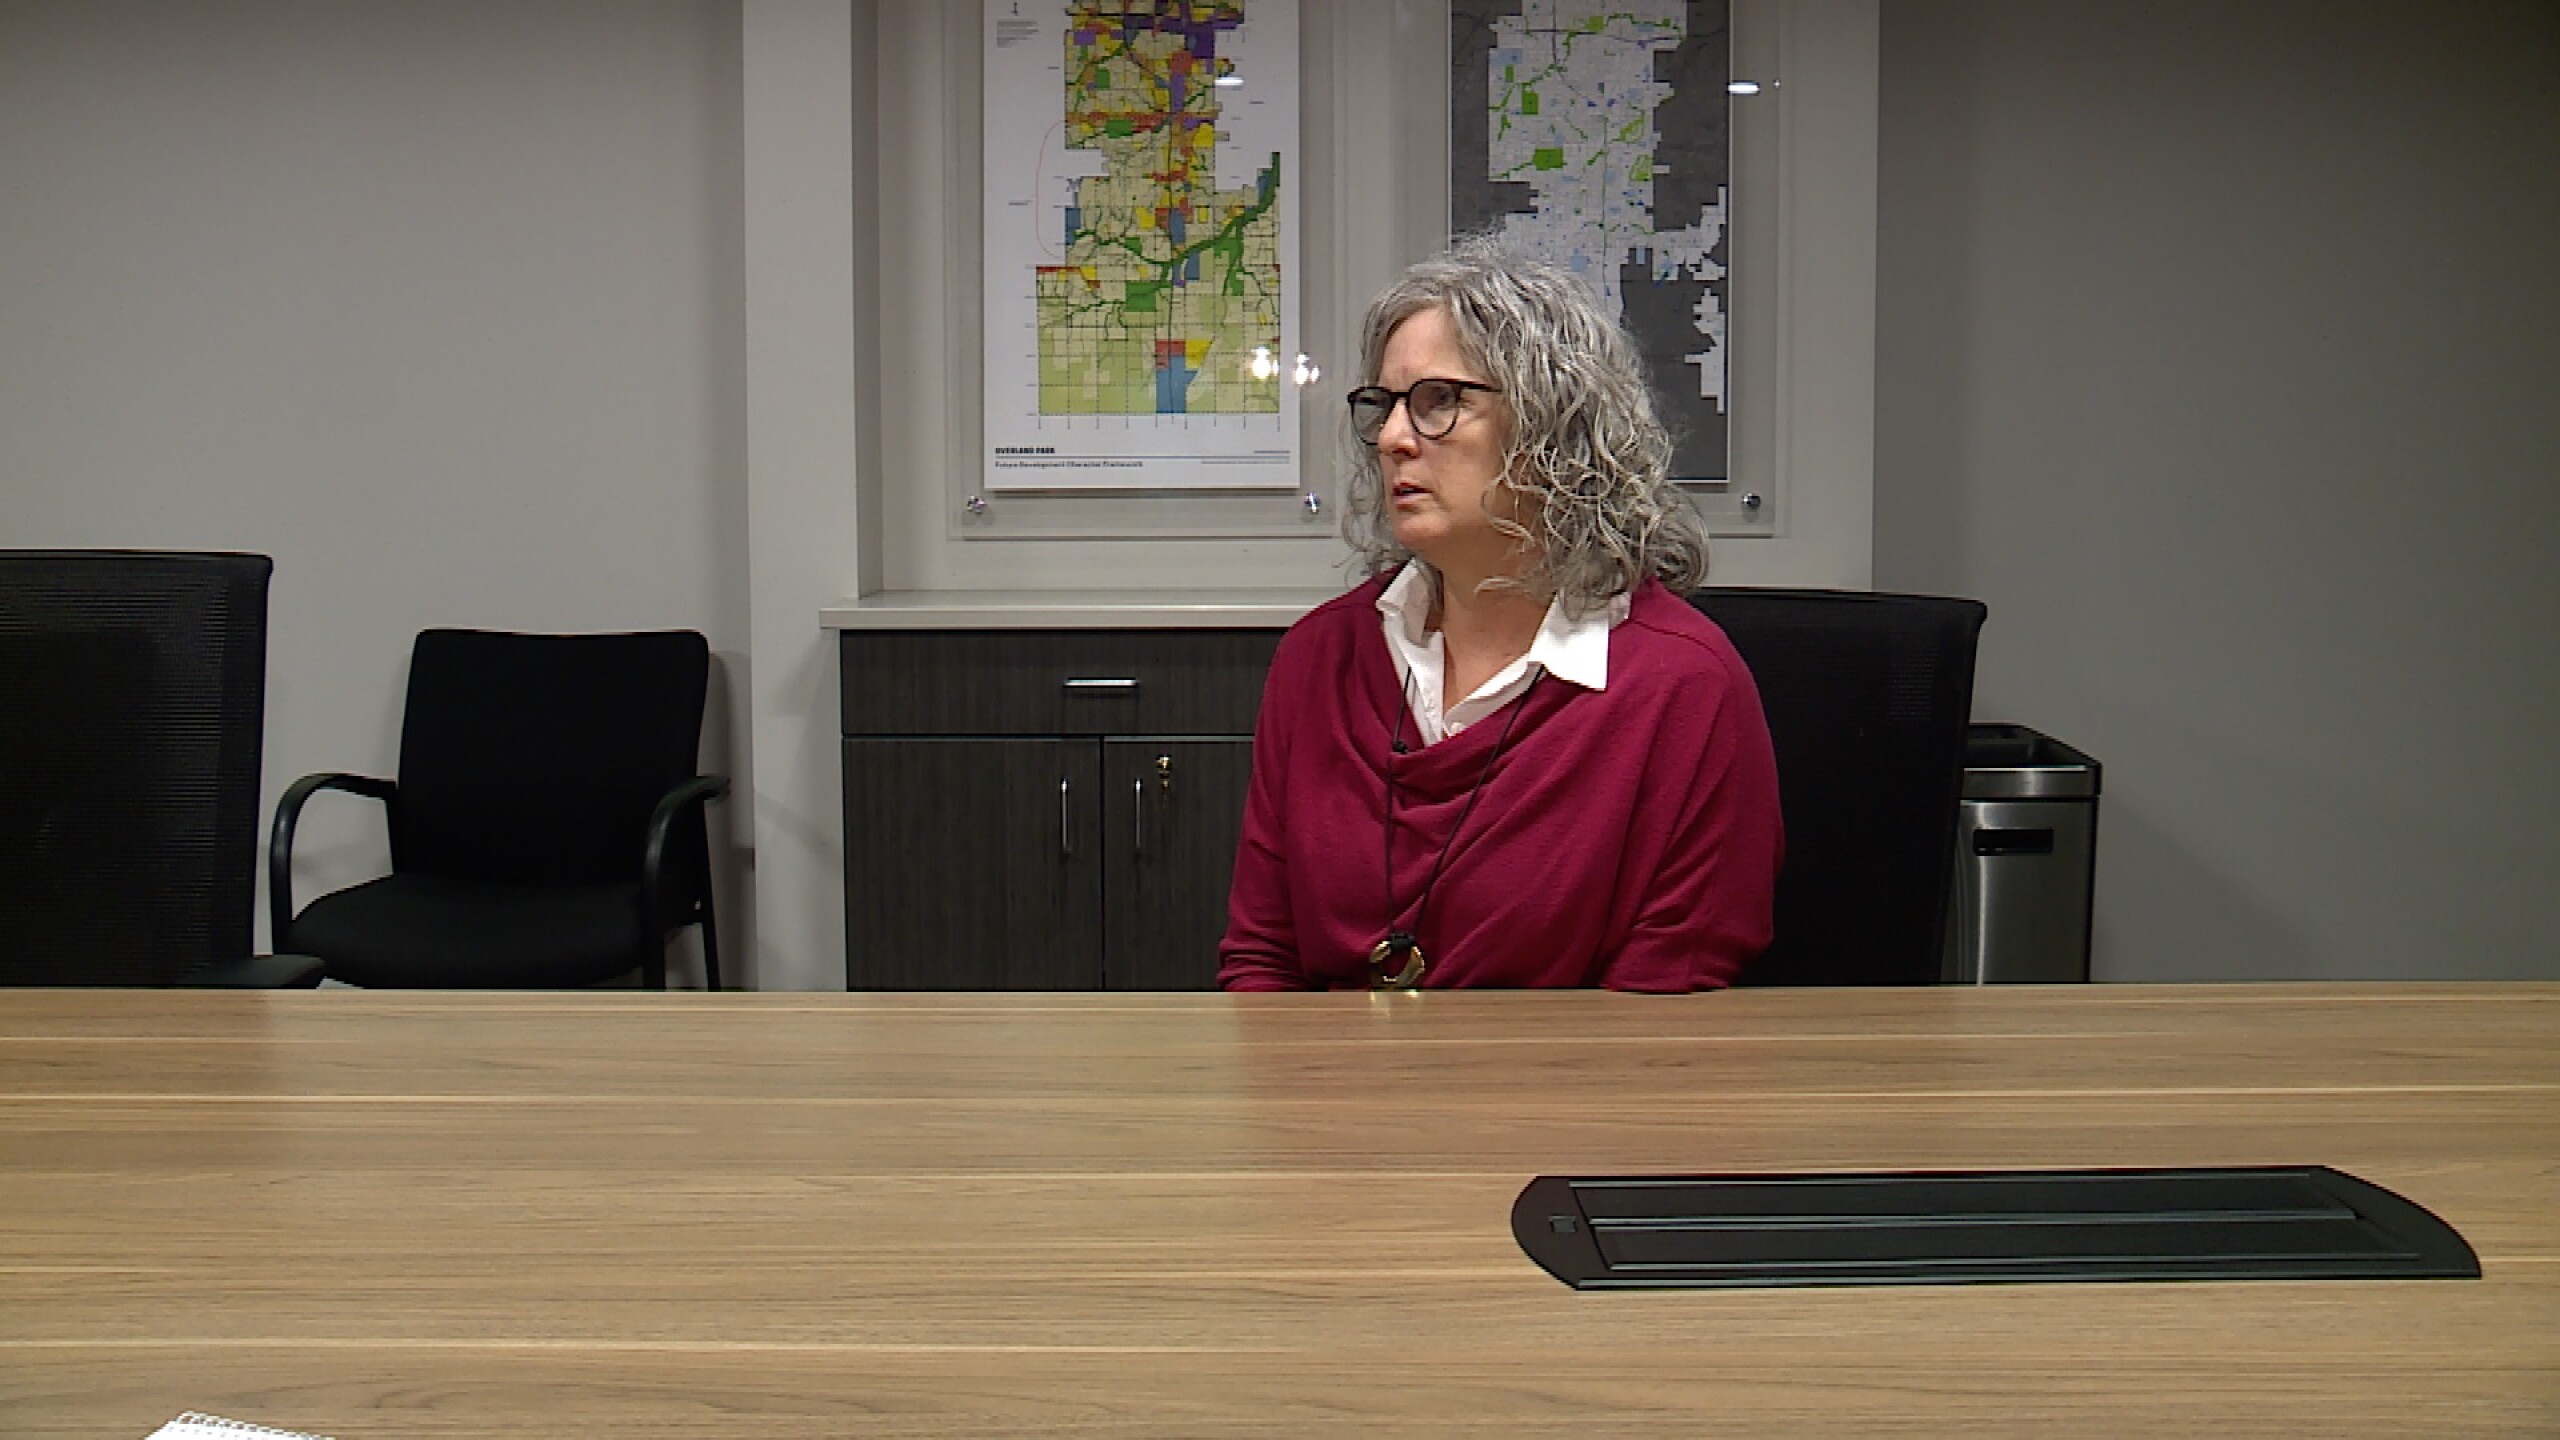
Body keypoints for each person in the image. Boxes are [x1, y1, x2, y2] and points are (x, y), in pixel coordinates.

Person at [1216, 238, 1783, 991]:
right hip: (1328, 1070)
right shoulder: (1321, 656)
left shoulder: (1685, 687)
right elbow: (1262, 961)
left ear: (1553, 424)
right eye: (1384, 406)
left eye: (1440, 402)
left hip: (1573, 1073)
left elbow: (1663, 1003)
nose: (1393, 439)